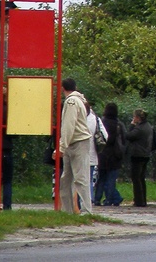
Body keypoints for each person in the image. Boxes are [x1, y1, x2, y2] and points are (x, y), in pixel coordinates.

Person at [54, 78, 92, 214]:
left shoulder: (71, 102)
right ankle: (68, 211)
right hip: (77, 141)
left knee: (79, 178)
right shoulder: (80, 100)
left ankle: (86, 210)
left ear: (62, 88)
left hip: (76, 142)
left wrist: (61, 147)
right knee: (67, 179)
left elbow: (69, 126)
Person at [95, 102, 124, 206]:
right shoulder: (118, 124)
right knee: (111, 179)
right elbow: (124, 139)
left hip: (102, 154)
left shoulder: (102, 122)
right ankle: (109, 199)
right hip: (115, 155)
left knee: (101, 178)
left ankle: (97, 199)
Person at [127, 108, 155, 207]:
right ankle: (143, 199)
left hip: (137, 154)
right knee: (141, 178)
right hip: (146, 154)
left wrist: (131, 125)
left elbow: (129, 136)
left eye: (134, 117)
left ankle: (139, 200)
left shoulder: (139, 128)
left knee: (136, 178)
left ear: (138, 118)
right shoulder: (149, 127)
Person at [86, 101, 107, 206]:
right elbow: (105, 136)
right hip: (92, 154)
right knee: (89, 179)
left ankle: (79, 202)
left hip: (78, 153)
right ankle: (90, 200)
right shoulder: (96, 120)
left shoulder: (78, 119)